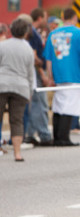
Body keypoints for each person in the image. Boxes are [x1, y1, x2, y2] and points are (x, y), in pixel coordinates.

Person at [43, 8, 80, 146]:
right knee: (69, 107)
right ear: (75, 17)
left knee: (58, 107)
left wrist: (51, 77)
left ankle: (57, 137)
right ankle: (63, 138)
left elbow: (49, 59)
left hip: (58, 75)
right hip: (74, 75)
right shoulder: (79, 33)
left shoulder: (53, 34)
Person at [0, 18, 34, 161]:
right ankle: (17, 153)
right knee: (17, 120)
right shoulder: (28, 49)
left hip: (2, 83)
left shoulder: (3, 45)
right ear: (25, 33)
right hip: (21, 86)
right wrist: (30, 92)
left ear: (11, 30)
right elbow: (30, 73)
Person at [24, 8, 54, 146]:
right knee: (40, 103)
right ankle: (44, 134)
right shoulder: (33, 35)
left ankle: (30, 133)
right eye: (45, 17)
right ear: (40, 18)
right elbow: (33, 56)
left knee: (34, 103)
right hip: (36, 72)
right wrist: (42, 73)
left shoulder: (32, 34)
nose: (46, 20)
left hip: (31, 72)